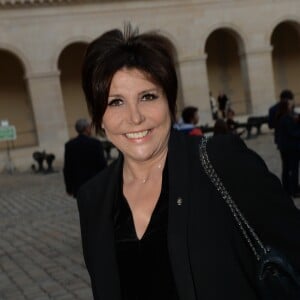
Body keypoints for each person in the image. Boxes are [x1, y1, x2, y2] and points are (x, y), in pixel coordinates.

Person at [78, 24, 300, 300]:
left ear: (169, 102)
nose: (134, 117)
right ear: (98, 117)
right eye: (115, 102)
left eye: (148, 96)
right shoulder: (93, 198)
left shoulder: (221, 160)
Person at [63, 118, 107, 198]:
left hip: (79, 186)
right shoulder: (95, 143)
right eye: (89, 127)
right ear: (86, 128)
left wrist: (69, 188)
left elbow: (67, 168)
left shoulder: (70, 145)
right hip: (95, 184)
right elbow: (102, 165)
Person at [275, 98, 300, 197]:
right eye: (289, 105)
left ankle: (287, 189)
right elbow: (293, 133)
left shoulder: (282, 117)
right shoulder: (286, 118)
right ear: (286, 106)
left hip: (284, 147)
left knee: (286, 168)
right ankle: (294, 189)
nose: (291, 106)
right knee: (293, 169)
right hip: (291, 147)